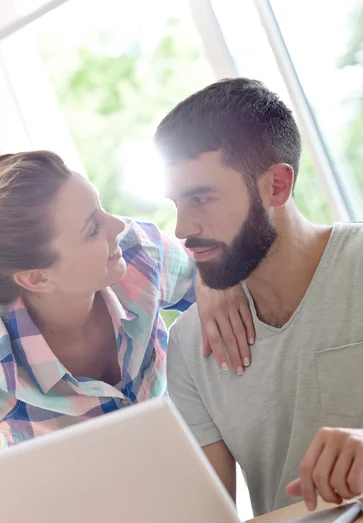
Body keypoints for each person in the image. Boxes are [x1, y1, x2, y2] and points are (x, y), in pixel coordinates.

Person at [155, 77, 363, 517]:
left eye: (202, 198)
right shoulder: (192, 346)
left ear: (277, 186)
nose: (182, 228)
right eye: (177, 203)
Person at [0, 150, 255, 449]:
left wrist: (214, 278)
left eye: (101, 208)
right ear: (36, 278)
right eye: (93, 228)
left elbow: (231, 271)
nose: (118, 226)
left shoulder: (137, 252)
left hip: (194, 458)